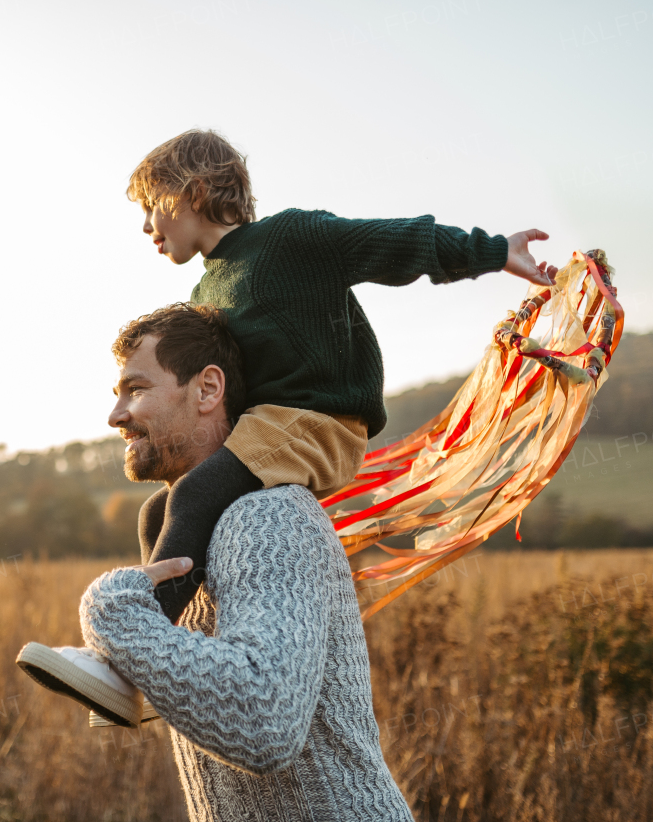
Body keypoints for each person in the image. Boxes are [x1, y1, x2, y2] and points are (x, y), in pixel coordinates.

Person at [18, 129, 557, 725]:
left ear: (194, 192)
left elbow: (389, 242)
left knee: (194, 494)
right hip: (265, 426)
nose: (146, 225)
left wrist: (490, 250)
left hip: (319, 420)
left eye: (152, 205)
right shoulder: (205, 288)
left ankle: (119, 658)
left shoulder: (289, 239)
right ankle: (141, 674)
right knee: (157, 512)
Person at [32, 304, 417, 821]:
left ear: (208, 390)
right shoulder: (188, 528)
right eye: (118, 394)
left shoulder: (268, 517)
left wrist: (111, 613)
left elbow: (265, 723)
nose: (116, 415)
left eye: (137, 389)